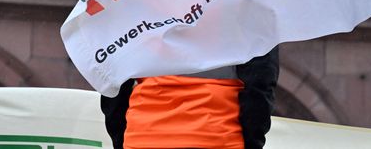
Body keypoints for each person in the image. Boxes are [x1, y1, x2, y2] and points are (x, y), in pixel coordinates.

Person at [100, 47, 279, 149]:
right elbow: (259, 83)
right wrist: (252, 143)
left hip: (144, 138)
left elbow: (112, 80)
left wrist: (123, 140)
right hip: (217, 139)